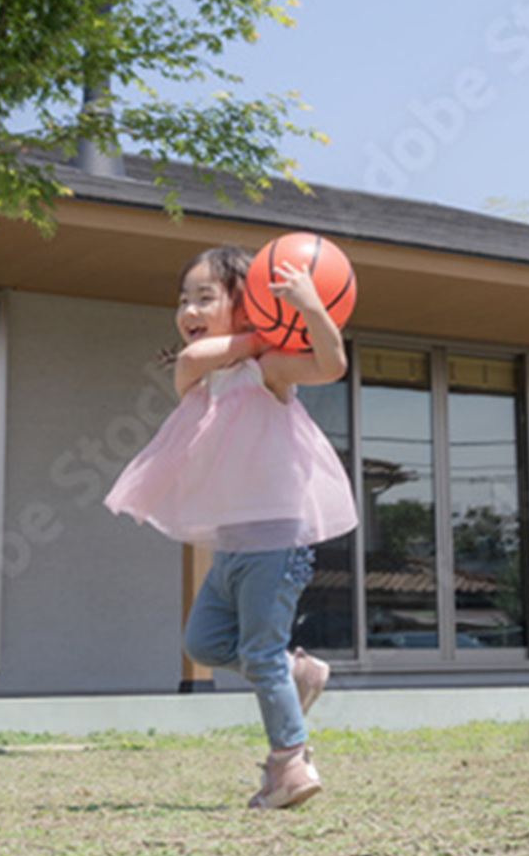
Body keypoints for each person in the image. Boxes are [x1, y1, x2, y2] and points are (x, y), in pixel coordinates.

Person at [104, 245, 358, 809]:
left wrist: (310, 310)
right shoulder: (202, 375)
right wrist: (263, 328)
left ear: (246, 305)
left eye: (204, 297)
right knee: (204, 643)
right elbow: (197, 358)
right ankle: (299, 673)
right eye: (183, 299)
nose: (188, 309)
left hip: (277, 542)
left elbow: (331, 364)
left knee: (260, 653)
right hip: (232, 547)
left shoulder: (267, 372)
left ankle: (289, 767)